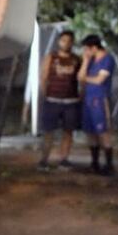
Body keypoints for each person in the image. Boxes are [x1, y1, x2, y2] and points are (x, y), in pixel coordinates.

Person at [38, 29, 82, 170]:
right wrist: (46, 94)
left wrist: (80, 95)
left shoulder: (77, 59)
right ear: (59, 42)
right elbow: (43, 77)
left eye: (69, 41)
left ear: (72, 43)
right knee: (48, 131)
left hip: (71, 101)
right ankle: (44, 160)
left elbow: (81, 79)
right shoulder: (51, 57)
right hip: (53, 100)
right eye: (63, 40)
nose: (66, 43)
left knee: (68, 132)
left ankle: (64, 159)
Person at [78, 34, 115, 175]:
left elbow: (99, 80)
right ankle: (94, 163)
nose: (85, 52)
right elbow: (80, 77)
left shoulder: (107, 59)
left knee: (103, 132)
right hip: (88, 99)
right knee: (90, 132)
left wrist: (85, 78)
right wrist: (85, 61)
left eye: (86, 49)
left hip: (99, 99)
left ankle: (109, 164)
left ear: (94, 48)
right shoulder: (91, 60)